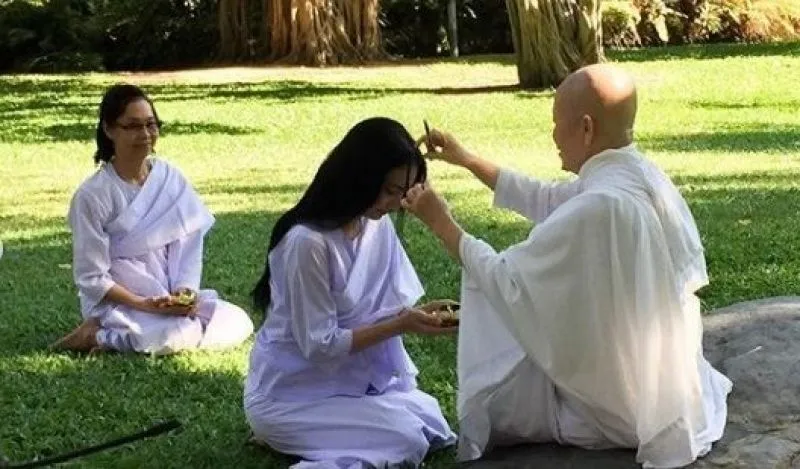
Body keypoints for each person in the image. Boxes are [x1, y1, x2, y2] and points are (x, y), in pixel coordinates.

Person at [401, 64, 733, 468]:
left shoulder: (601, 204)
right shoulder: (638, 173)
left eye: (557, 124)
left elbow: (507, 281)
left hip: (625, 403)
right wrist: (467, 159)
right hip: (665, 380)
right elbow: (550, 199)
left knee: (506, 395)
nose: (554, 136)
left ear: (586, 128)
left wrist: (441, 223)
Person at [244, 117, 457, 469]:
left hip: (348, 383)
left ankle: (335, 435)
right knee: (406, 439)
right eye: (389, 190)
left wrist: (422, 316)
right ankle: (279, 433)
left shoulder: (376, 226)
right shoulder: (307, 243)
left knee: (432, 422)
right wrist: (402, 324)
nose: (394, 203)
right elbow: (320, 345)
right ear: (359, 177)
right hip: (291, 395)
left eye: (402, 193)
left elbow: (379, 309)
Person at [50, 84, 254, 355]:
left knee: (238, 322)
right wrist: (143, 303)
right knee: (170, 336)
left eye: (151, 124)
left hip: (165, 295)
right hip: (120, 301)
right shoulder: (91, 195)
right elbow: (92, 276)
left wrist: (184, 294)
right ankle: (97, 334)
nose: (145, 135)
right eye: (133, 126)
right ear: (109, 130)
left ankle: (120, 335)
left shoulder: (170, 178)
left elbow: (187, 243)